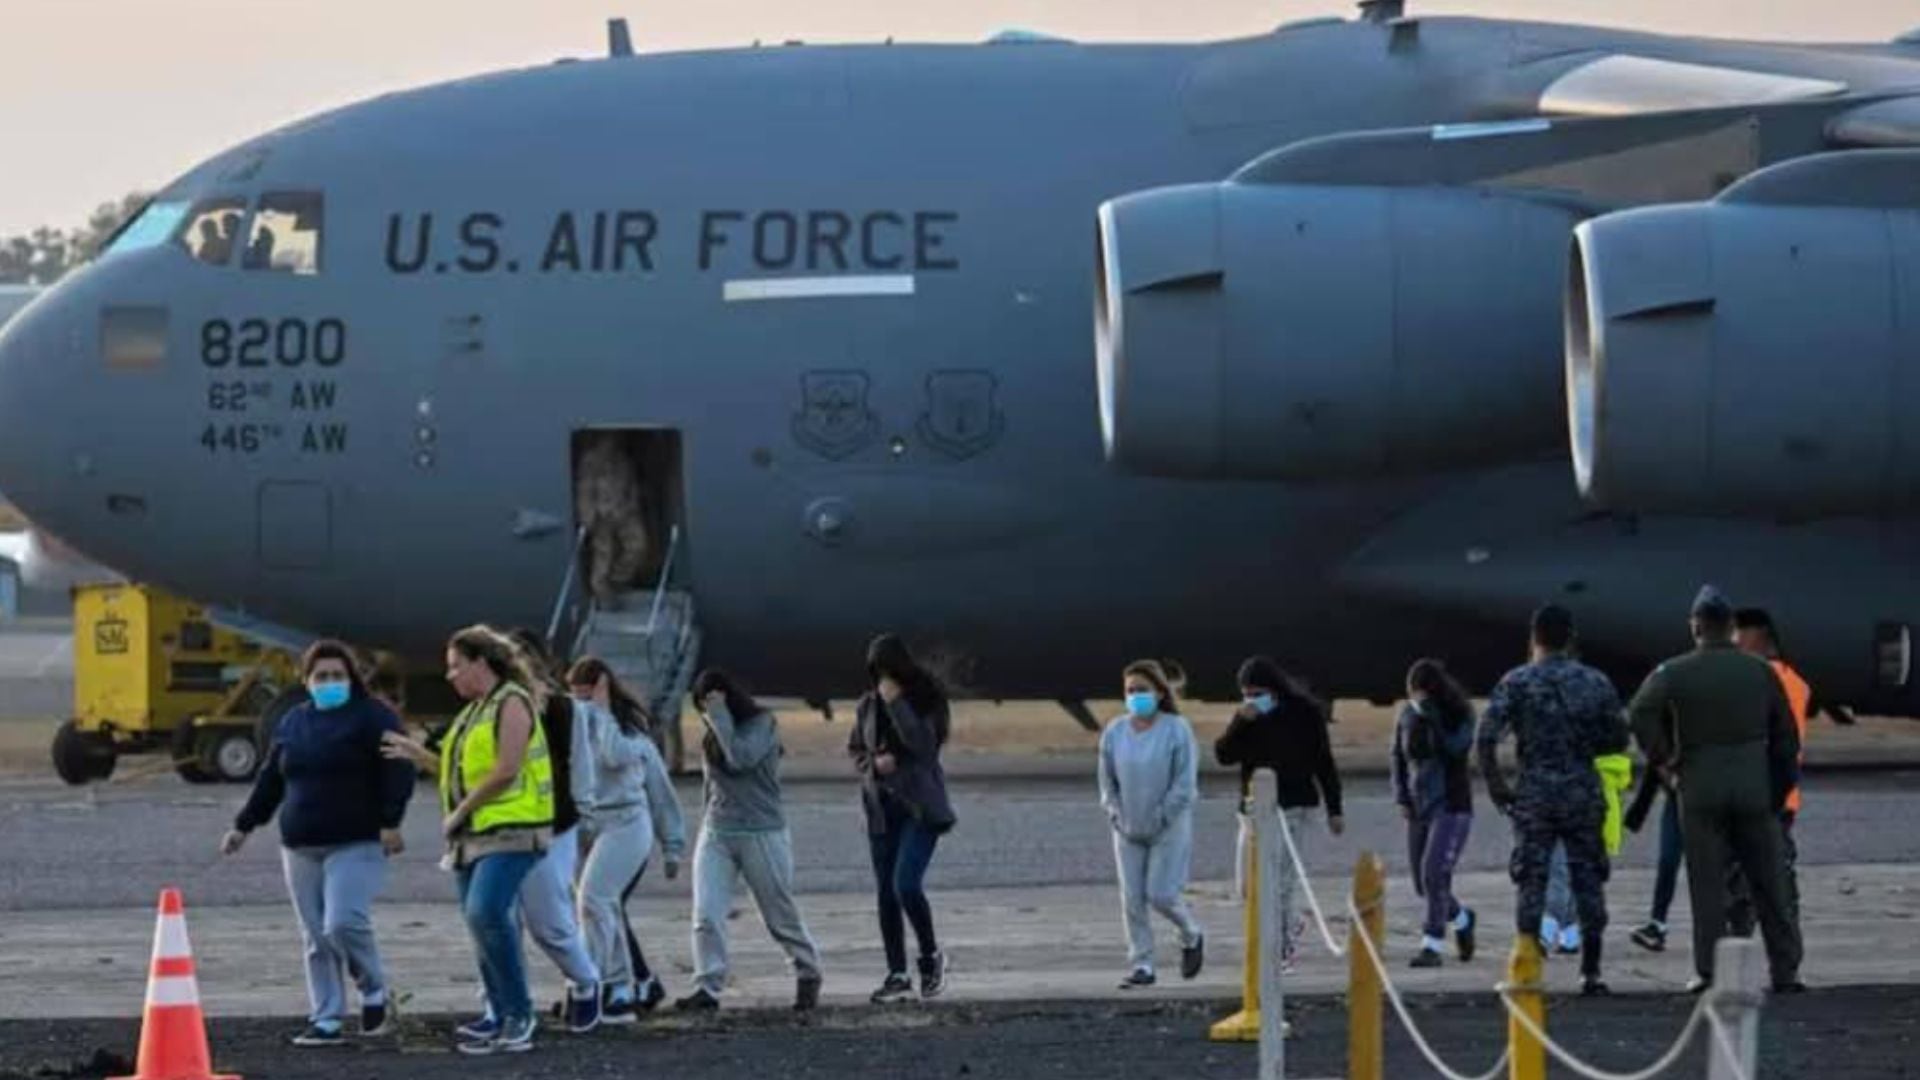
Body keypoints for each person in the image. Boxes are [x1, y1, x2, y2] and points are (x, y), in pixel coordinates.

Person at [221, 641, 413, 1047]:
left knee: (342, 921)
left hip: (356, 840)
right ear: (306, 681)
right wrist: (244, 825)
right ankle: (326, 1017)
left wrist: (391, 821)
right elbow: (272, 779)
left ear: (352, 678)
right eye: (321, 677)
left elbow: (398, 769)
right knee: (316, 937)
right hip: (300, 844)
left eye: (337, 676)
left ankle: (373, 986)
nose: (329, 683)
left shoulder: (372, 717)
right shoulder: (293, 722)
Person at [381, 626, 555, 1055]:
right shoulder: (473, 712)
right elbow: (455, 769)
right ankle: (498, 1013)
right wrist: (418, 755)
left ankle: (519, 1014)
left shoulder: (512, 702)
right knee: (479, 924)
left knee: (487, 912)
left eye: (457, 665)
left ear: (481, 663)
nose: (450, 676)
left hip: (512, 829)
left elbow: (506, 769)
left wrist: (461, 810)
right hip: (472, 838)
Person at [1628, 587, 1805, 994]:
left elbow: (1640, 712)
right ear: (1731, 629)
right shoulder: (1760, 672)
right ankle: (1785, 970)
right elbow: (1786, 738)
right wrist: (1777, 789)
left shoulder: (1674, 671)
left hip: (1699, 782)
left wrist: (1664, 758)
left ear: (1695, 626)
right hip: (1752, 785)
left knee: (1707, 886)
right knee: (1769, 882)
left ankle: (1708, 972)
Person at [1478, 604, 1630, 996]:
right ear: (1571, 638)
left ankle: (1527, 967)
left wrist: (1498, 785)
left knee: (1532, 879)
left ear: (1534, 638)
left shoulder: (1517, 682)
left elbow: (1486, 736)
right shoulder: (1595, 682)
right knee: (1588, 880)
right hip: (1582, 790)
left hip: (1535, 795)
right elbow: (1617, 737)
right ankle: (1591, 971)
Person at [678, 669, 824, 1012]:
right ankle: (708, 985)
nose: (705, 713)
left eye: (709, 703)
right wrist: (704, 823)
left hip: (761, 832)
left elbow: (740, 759)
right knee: (706, 914)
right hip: (718, 831)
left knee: (777, 913)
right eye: (701, 707)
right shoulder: (714, 732)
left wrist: (719, 716)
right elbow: (710, 783)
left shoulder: (763, 725)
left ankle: (807, 970)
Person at [567, 656, 686, 1022]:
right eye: (577, 698)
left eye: (587, 697)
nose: (581, 706)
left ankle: (591, 985)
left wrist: (673, 845)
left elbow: (653, 787)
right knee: (599, 908)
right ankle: (622, 988)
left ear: (601, 691)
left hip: (626, 823)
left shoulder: (630, 737)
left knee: (596, 900)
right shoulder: (576, 725)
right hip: (585, 825)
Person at [1215, 656, 1344, 971]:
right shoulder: (1249, 719)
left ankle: (1281, 948)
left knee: (1281, 883)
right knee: (1248, 887)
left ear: (1273, 689)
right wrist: (1239, 721)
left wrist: (1334, 808)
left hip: (1294, 808)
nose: (1252, 699)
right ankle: (1293, 922)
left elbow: (1324, 762)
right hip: (1254, 811)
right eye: (1245, 693)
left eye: (1257, 692)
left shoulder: (1305, 714)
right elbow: (1224, 755)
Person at [502, 629, 602, 1035]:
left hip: (553, 827)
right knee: (498, 919)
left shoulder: (563, 709)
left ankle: (584, 981)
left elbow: (581, 765)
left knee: (549, 921)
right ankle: (505, 1000)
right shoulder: (492, 709)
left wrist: (587, 819)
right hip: (501, 829)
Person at [850, 634, 958, 1003]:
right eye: (876, 672)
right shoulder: (866, 706)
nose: (883, 680)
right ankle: (897, 973)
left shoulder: (926, 701)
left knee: (905, 885)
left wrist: (898, 705)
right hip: (881, 810)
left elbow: (925, 748)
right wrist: (873, 766)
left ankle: (930, 956)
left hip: (919, 808)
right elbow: (856, 750)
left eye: (888, 671)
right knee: (886, 895)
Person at [1100, 660, 1205, 989]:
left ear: (1160, 693)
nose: (1135, 697)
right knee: (1132, 899)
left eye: (1142, 690)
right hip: (1127, 827)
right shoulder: (1115, 731)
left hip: (1168, 827)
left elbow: (1185, 783)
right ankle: (1142, 963)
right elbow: (1107, 781)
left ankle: (1191, 933)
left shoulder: (1177, 729)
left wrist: (1162, 815)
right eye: (1130, 691)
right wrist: (1116, 813)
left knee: (1161, 895)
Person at [1727, 607, 1810, 932]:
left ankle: (1737, 949)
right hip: (1783, 799)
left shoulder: (1756, 680)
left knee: (1740, 886)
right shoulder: (1796, 681)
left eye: (1738, 634)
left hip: (1752, 796)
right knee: (1780, 884)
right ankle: (1787, 966)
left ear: (1755, 637)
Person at [1390, 658, 1477, 968]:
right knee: (1422, 882)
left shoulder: (1459, 714)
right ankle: (1463, 919)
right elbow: (1398, 757)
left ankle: (1432, 943)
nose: (1416, 702)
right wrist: (1401, 795)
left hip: (1451, 805)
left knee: (1434, 873)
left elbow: (1457, 749)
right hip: (1419, 805)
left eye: (1420, 695)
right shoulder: (1407, 716)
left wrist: (1435, 720)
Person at [575, 433, 650, 606]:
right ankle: (602, 594)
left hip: (624, 511)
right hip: (602, 514)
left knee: (638, 547)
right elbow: (585, 489)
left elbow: (632, 485)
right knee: (603, 556)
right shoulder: (591, 460)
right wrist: (587, 516)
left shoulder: (623, 460)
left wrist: (633, 505)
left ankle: (617, 580)